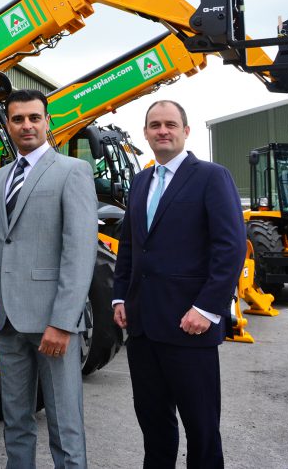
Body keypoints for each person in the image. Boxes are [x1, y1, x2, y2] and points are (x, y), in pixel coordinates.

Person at [0, 88, 98, 469]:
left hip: (51, 322)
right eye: (18, 119)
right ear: (7, 125)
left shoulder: (72, 172)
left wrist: (63, 321)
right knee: (16, 420)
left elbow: (79, 253)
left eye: (34, 118)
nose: (26, 125)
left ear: (47, 122)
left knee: (64, 423)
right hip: (7, 321)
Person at [112, 100, 245, 469]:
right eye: (155, 125)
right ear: (146, 133)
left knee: (201, 428)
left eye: (170, 124)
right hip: (143, 327)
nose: (162, 131)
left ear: (186, 131)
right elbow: (129, 245)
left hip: (190, 325)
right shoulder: (141, 181)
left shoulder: (210, 176)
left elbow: (230, 247)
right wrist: (120, 295)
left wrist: (206, 308)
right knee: (154, 425)